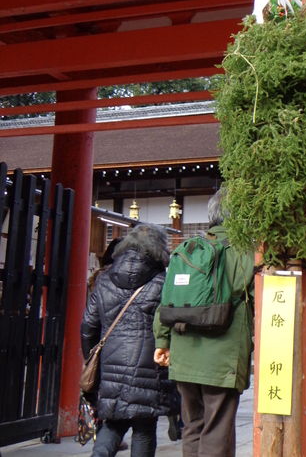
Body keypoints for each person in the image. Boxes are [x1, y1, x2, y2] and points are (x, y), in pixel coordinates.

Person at [153, 189, 255, 457]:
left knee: (193, 427)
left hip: (184, 357)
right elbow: (258, 297)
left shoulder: (188, 250)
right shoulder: (243, 252)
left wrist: (162, 342)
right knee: (216, 431)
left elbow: (167, 300)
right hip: (221, 359)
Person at [81, 224, 179, 457]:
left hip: (111, 367)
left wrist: (92, 358)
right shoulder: (162, 282)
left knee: (113, 423)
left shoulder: (104, 280)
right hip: (151, 370)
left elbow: (87, 327)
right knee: (144, 427)